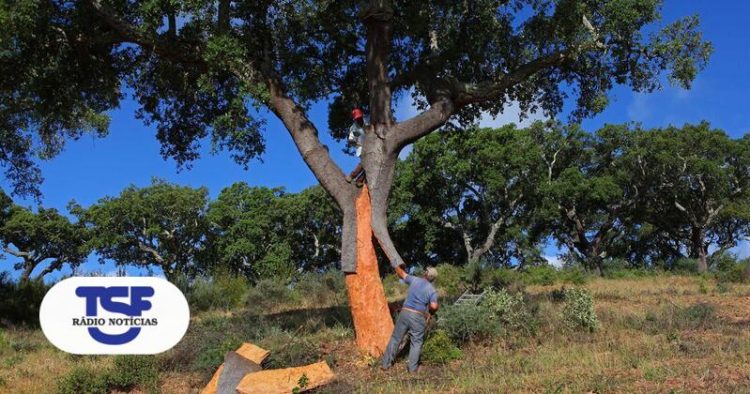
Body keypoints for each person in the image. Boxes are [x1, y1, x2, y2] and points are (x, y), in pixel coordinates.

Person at [381, 265, 439, 373]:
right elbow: (434, 306)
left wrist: (395, 264)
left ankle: (385, 365)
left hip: (404, 313)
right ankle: (412, 369)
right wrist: (431, 311)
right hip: (418, 316)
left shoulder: (414, 280)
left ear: (425, 274)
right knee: (416, 342)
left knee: (395, 338)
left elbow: (402, 274)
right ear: (433, 278)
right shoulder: (432, 290)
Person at [346, 108, 366, 185]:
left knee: (372, 165)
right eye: (357, 119)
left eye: (360, 118)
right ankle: (352, 176)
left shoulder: (367, 121)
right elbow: (350, 140)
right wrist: (356, 143)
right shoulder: (353, 128)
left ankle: (359, 180)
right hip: (361, 147)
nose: (359, 120)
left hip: (371, 145)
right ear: (355, 119)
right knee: (365, 162)